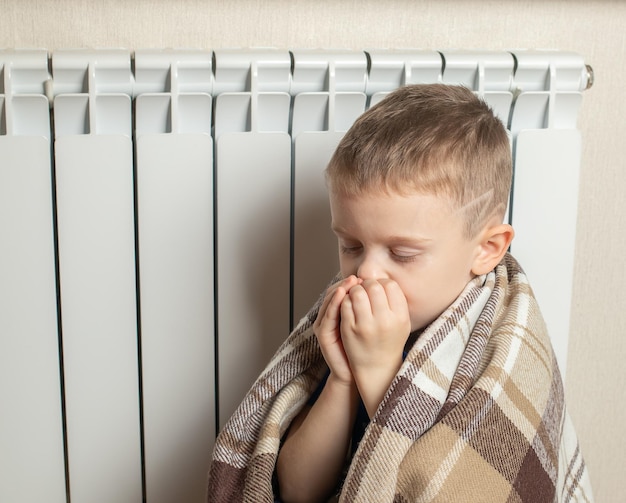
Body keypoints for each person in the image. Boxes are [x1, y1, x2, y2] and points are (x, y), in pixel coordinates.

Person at [208, 84, 592, 503]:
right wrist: (343, 378)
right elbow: (298, 490)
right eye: (351, 246)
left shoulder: (499, 346)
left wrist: (378, 374)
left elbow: (436, 490)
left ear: (486, 249)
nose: (368, 271)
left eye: (402, 253)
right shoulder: (355, 327)